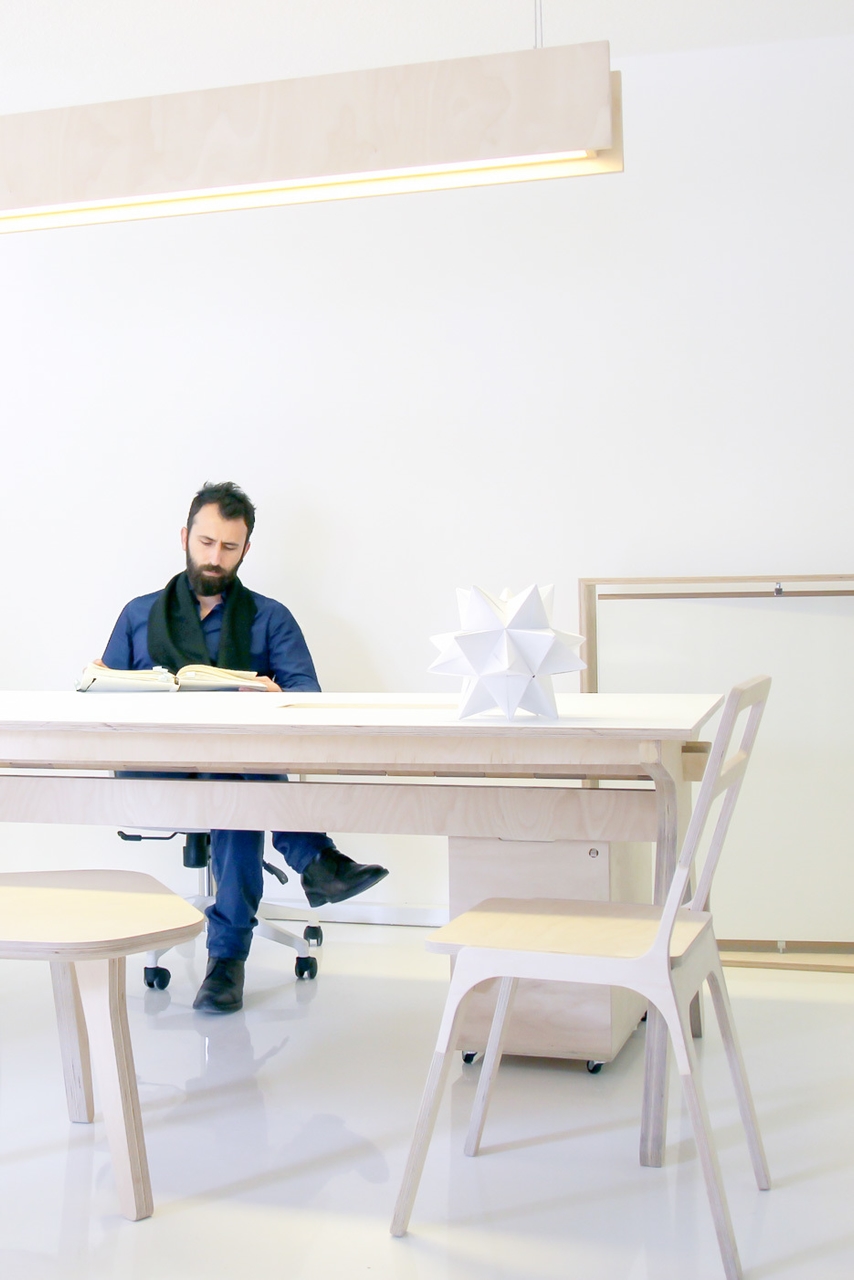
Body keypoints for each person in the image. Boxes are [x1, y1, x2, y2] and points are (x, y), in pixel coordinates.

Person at [100, 481, 388, 1014]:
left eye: (228, 548)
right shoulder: (139, 615)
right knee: (239, 783)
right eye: (206, 543)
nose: (214, 558)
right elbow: (105, 698)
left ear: (246, 549)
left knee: (233, 782)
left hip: (236, 771)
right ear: (185, 537)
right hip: (157, 769)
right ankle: (314, 862)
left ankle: (227, 960)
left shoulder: (269, 616)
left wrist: (272, 695)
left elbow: (310, 699)